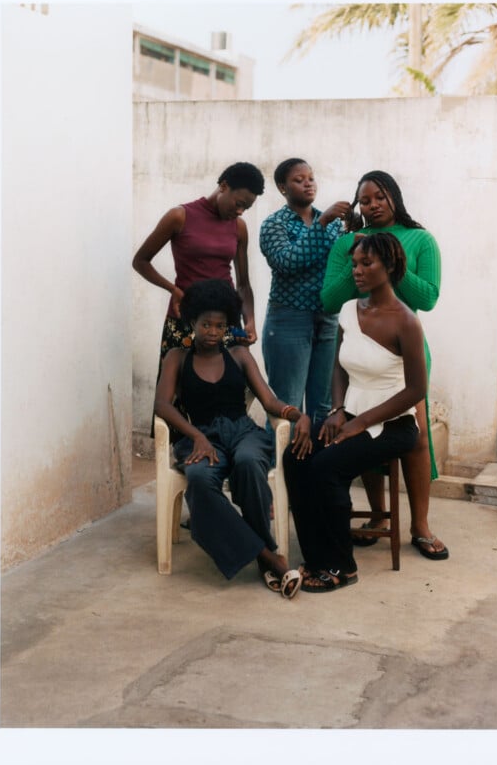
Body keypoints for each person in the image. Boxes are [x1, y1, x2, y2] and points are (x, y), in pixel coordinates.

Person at [284, 233, 426, 592]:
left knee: (327, 465)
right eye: (355, 264)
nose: (357, 271)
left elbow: (416, 390)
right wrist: (338, 410)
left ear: (390, 266)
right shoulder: (349, 310)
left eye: (367, 264)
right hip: (351, 414)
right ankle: (317, 557)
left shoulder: (406, 322)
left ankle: (341, 567)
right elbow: (339, 367)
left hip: (394, 423)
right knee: (296, 457)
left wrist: (359, 422)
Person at [154, 279, 312, 598]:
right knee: (198, 479)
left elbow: (269, 401)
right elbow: (161, 404)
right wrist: (197, 436)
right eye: (206, 324)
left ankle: (261, 555)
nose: (213, 331)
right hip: (201, 437)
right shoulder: (176, 358)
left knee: (250, 462)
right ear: (193, 323)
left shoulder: (239, 355)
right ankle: (269, 558)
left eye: (220, 325)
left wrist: (300, 416)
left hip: (242, 433)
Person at [321, 170, 448, 559]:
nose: (372, 205)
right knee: (362, 429)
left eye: (379, 196)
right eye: (364, 200)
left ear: (394, 196)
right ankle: (377, 515)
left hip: (401, 353)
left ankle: (420, 525)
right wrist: (355, 255)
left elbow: (427, 298)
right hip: (358, 352)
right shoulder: (346, 243)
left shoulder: (421, 239)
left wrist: (389, 257)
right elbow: (330, 299)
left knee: (416, 436)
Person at [133, 162, 265, 435]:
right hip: (185, 322)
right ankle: (183, 460)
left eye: (247, 208)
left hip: (225, 323)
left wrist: (249, 321)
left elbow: (242, 284)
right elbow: (141, 261)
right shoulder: (179, 216)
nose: (240, 211)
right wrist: (172, 289)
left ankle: (229, 458)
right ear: (224, 186)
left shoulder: (238, 227)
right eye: (239, 203)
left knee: (228, 394)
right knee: (179, 395)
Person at [260, 158, 352, 425]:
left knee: (323, 406)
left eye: (310, 178)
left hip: (328, 320)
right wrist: (322, 224)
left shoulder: (334, 223)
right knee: (287, 404)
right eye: (298, 180)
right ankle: (283, 465)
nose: (307, 184)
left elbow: (341, 265)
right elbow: (287, 262)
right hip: (289, 318)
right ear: (282, 188)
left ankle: (316, 464)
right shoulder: (274, 225)